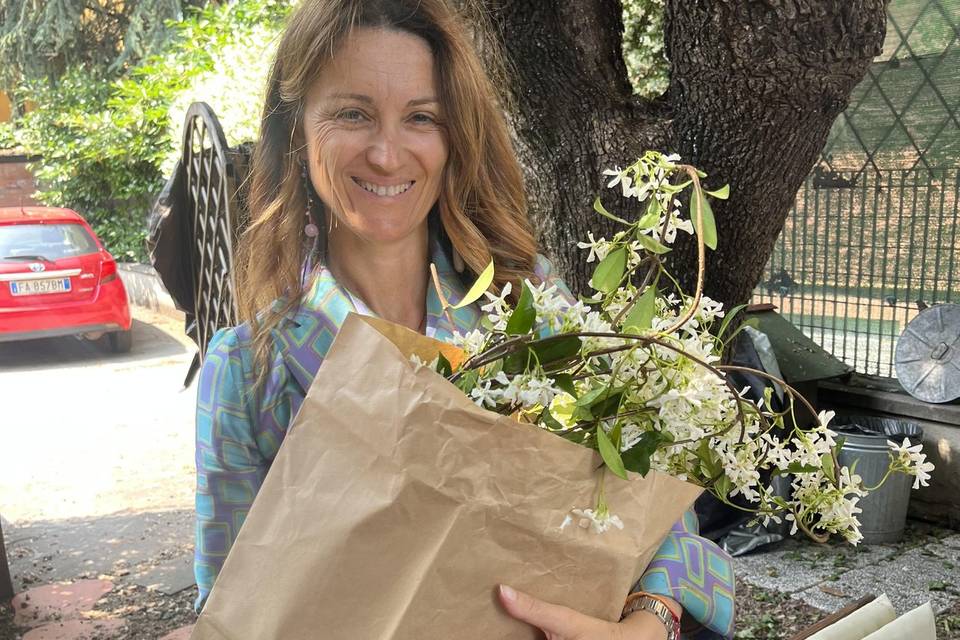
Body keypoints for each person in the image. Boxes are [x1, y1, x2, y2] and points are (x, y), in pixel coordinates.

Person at [194, 0, 736, 638]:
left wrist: (651, 623)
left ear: (455, 138)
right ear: (295, 131)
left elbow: (659, 513)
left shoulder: (528, 308)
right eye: (352, 114)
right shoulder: (250, 371)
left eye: (421, 117)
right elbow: (233, 611)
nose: (388, 155)